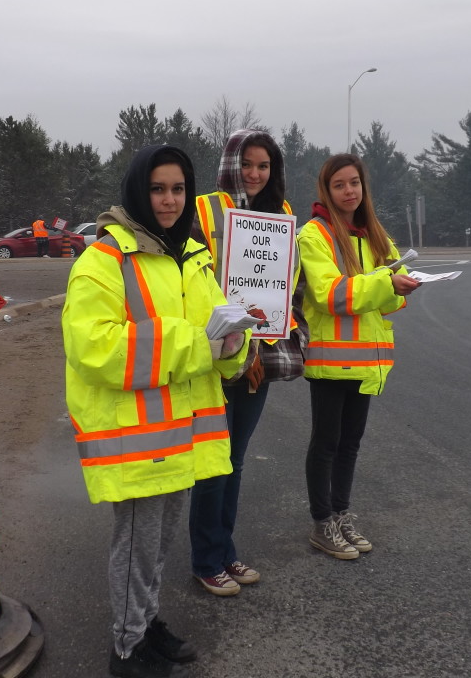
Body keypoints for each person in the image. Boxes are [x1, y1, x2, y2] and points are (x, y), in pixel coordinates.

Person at [62, 144, 250, 678]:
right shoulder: (103, 260)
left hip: (181, 434)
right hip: (137, 438)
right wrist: (201, 345)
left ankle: (144, 623)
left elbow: (220, 327)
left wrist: (238, 342)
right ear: (136, 191)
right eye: (157, 189)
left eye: (178, 189)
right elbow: (96, 348)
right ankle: (127, 648)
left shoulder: (190, 254)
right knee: (138, 547)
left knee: (160, 543)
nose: (169, 200)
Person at [188, 129, 309, 596]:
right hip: (220, 353)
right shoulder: (205, 210)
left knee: (234, 460)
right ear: (231, 165)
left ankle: (225, 550)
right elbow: (188, 275)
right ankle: (206, 559)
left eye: (265, 166)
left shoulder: (282, 216)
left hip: (262, 357)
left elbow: (290, 281)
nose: (256, 174)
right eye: (249, 164)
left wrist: (287, 317)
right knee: (213, 461)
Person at [297, 153, 420, 560]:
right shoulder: (314, 235)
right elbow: (330, 295)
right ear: (326, 191)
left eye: (354, 183)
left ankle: (341, 512)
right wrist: (387, 284)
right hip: (331, 360)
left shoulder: (375, 235)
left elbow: (389, 304)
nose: (349, 191)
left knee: (350, 443)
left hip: (366, 357)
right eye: (339, 185)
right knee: (327, 443)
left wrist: (400, 288)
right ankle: (322, 523)